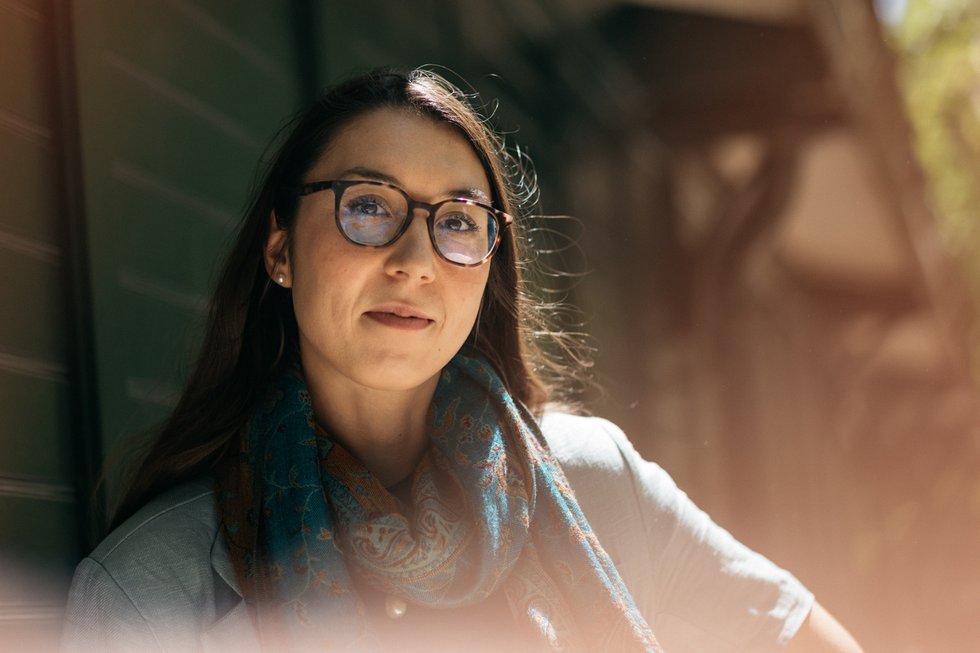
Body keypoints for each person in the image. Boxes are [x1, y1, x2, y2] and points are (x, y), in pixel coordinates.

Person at [61, 67, 863, 653]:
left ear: (489, 265)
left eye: (457, 220)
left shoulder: (595, 479)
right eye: (368, 206)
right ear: (280, 250)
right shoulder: (149, 591)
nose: (415, 258)